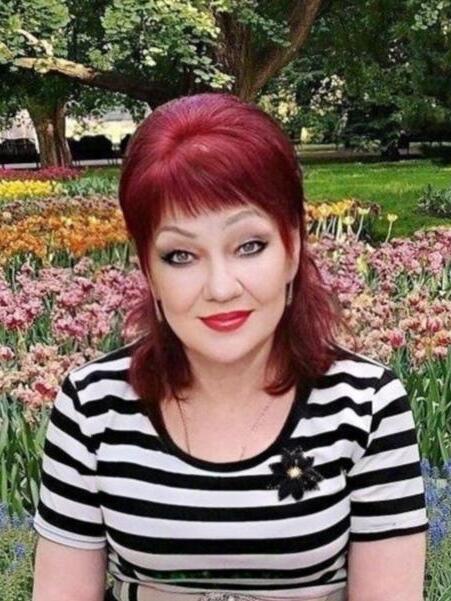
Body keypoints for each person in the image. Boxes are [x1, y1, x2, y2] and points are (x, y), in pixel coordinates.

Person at [31, 93, 428, 601]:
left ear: (293, 247)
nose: (220, 288)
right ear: (147, 269)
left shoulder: (366, 406)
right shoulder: (94, 405)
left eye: (249, 246)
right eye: (180, 255)